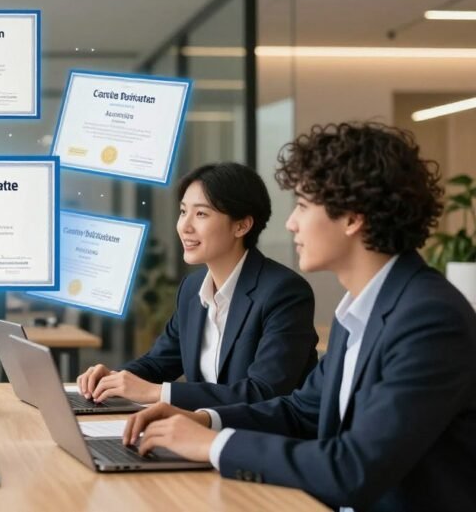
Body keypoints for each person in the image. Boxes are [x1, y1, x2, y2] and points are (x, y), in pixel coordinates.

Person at [123, 123, 476, 511]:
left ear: (352, 218)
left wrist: (213, 445)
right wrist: (204, 420)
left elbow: (353, 469)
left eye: (304, 206)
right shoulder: (359, 310)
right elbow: (300, 410)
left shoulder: (428, 320)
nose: (291, 222)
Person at [77, 162, 317, 410]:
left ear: (242, 225)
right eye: (183, 212)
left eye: (201, 214)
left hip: (259, 441)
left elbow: (263, 392)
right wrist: (114, 379)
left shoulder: (283, 292)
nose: (185, 226)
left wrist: (158, 392)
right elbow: (159, 362)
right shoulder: (193, 289)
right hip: (200, 433)